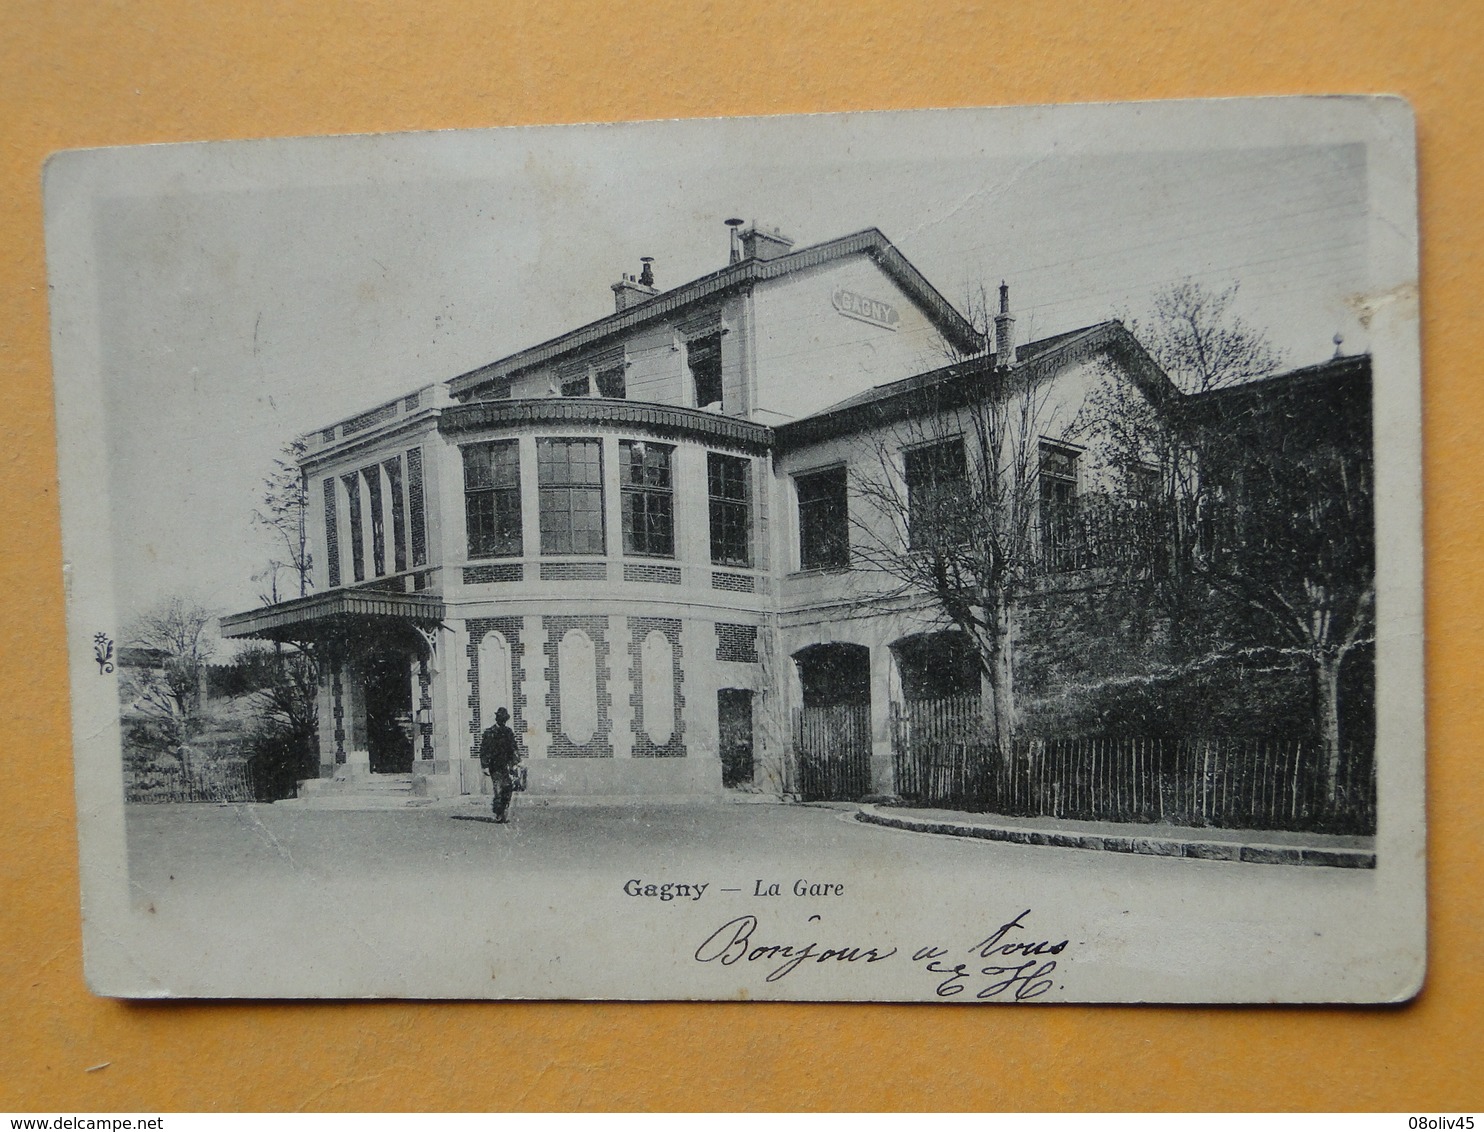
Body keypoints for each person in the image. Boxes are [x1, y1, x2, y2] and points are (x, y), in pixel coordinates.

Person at [478, 707, 522, 823]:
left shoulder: (508, 732)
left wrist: (516, 763)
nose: (503, 721)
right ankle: (499, 814)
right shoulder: (489, 733)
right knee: (498, 790)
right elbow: (484, 750)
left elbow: (513, 748)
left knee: (508, 789)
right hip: (494, 766)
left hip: (507, 766)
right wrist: (485, 766)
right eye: (501, 718)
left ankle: (504, 811)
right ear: (497, 719)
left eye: (504, 719)